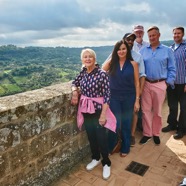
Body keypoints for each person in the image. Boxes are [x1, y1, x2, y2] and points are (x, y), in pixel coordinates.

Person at [71, 48, 116, 180]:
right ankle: (95, 157)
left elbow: (107, 95)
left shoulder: (102, 74)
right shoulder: (83, 72)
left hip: (97, 110)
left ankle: (106, 162)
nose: (88, 59)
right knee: (91, 135)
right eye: (85, 57)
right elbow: (74, 82)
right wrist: (74, 91)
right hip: (86, 109)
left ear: (94, 59)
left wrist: (103, 115)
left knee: (101, 136)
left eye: (90, 56)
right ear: (82, 60)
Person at [139, 26, 176, 145]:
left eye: (154, 35)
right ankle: (147, 134)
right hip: (145, 84)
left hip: (160, 83)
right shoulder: (143, 51)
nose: (151, 38)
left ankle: (156, 133)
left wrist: (167, 83)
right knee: (145, 111)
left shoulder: (167, 50)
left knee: (158, 111)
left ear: (159, 35)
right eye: (149, 36)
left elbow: (172, 68)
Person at [102, 40, 140, 157]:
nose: (121, 51)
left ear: (127, 50)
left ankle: (125, 146)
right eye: (119, 49)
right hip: (114, 98)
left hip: (129, 97)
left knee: (127, 122)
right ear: (115, 51)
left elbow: (137, 83)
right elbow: (100, 73)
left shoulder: (133, 64)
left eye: (124, 49)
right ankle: (111, 146)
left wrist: (137, 100)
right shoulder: (111, 63)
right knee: (115, 123)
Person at [162, 26, 186, 139]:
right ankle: (172, 124)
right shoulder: (170, 48)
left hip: (183, 83)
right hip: (171, 83)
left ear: (183, 34)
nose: (176, 35)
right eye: (175, 33)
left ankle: (182, 129)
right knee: (172, 106)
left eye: (179, 33)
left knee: (184, 108)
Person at [123, 33, 146, 146]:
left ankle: (131, 135)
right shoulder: (117, 53)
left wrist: (140, 91)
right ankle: (122, 135)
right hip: (119, 90)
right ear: (123, 40)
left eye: (132, 40)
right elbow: (104, 67)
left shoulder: (137, 56)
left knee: (134, 112)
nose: (130, 41)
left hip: (132, 89)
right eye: (128, 39)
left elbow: (142, 75)